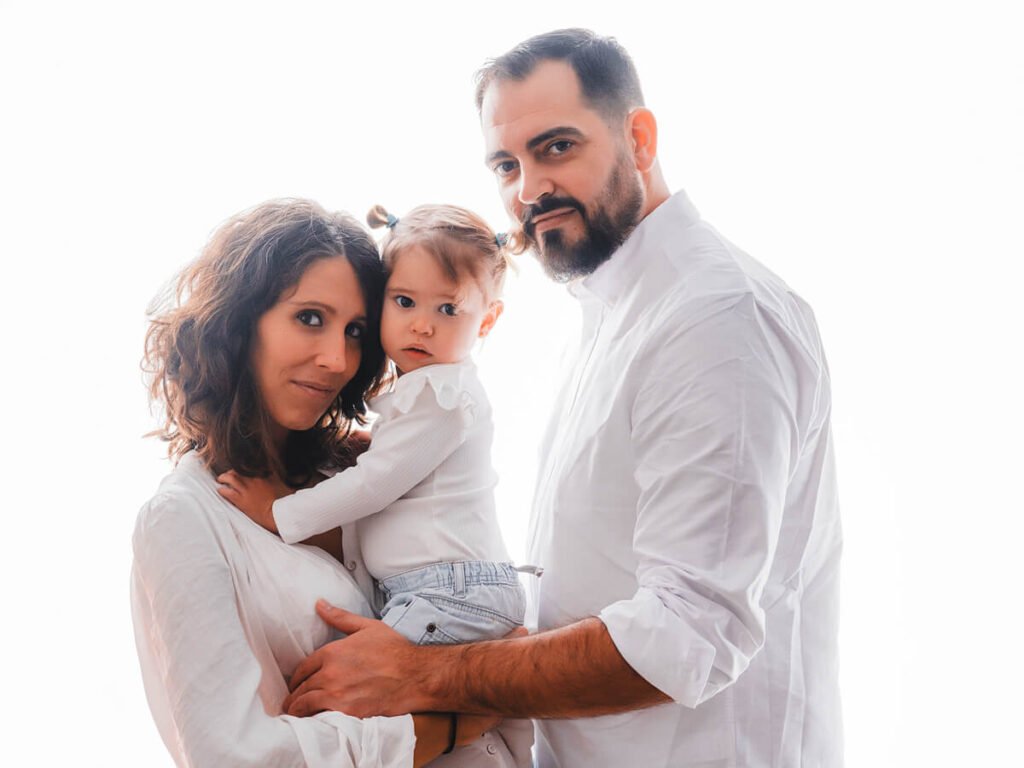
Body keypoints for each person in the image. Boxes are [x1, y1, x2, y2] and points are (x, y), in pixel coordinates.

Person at [280, 29, 844, 768]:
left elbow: (686, 637)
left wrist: (426, 673)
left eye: (556, 148)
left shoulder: (715, 319)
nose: (527, 190)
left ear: (639, 139)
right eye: (506, 165)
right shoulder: (617, 310)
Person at [131, 198, 521, 767]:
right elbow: (234, 758)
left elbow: (489, 625)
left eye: (356, 330)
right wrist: (458, 717)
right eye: (310, 318)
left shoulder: (358, 471)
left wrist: (475, 677)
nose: (338, 359)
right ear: (240, 323)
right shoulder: (183, 519)